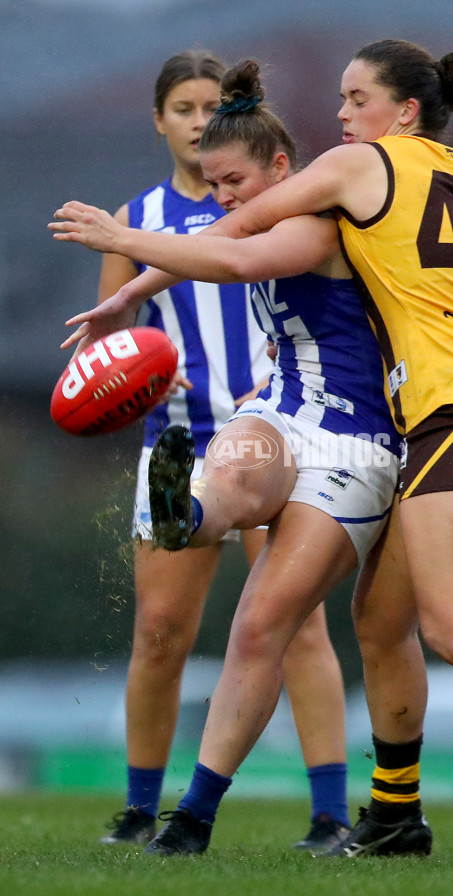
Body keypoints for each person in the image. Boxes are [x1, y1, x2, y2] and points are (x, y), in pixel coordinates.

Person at [51, 41, 453, 864]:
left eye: (355, 98)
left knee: (451, 623)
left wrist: (126, 254)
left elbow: (237, 238)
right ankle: (393, 816)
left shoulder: (360, 170)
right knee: (381, 622)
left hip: (445, 412)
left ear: (403, 111)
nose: (340, 116)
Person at [48, 58, 429, 859]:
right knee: (236, 471)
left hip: (350, 439)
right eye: (213, 183)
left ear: (281, 169)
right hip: (278, 410)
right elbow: (214, 237)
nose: (222, 197)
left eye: (233, 181)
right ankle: (194, 508)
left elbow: (232, 260)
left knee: (263, 624)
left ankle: (195, 815)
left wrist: (119, 242)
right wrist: (126, 292)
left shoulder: (316, 221)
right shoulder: (248, 212)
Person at [88, 49, 352, 853]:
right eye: (184, 109)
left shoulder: (282, 206)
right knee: (162, 631)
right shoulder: (133, 219)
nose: (200, 121)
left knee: (295, 625)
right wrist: (109, 374)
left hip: (279, 433)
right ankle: (139, 808)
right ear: (160, 120)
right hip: (177, 436)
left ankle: (330, 812)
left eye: (211, 107)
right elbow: (110, 345)